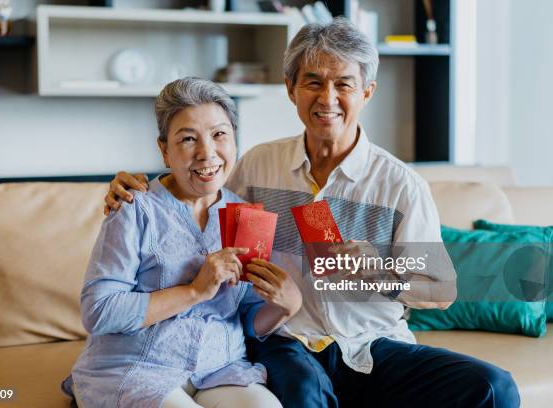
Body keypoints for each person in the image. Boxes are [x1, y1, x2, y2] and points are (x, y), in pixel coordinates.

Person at [105, 18, 520, 408]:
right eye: (313, 82)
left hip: (372, 344)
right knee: (304, 390)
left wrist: (378, 270)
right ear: (291, 89)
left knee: (493, 388)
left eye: (344, 84)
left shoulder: (400, 184)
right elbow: (199, 187)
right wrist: (139, 186)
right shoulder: (258, 164)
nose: (328, 98)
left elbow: (440, 288)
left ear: (367, 92)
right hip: (287, 338)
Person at [62, 77, 302, 408]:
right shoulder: (134, 208)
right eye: (188, 139)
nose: (207, 153)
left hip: (219, 370)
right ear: (164, 150)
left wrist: (283, 306)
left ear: (234, 141)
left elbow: (246, 316)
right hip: (137, 370)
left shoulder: (246, 215)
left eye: (219, 135)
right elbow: (98, 311)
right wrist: (193, 292)